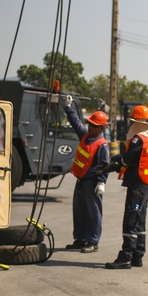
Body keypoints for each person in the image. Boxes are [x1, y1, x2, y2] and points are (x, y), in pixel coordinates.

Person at [104, 104, 148, 269]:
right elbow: (135, 157)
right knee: (139, 221)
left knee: (130, 220)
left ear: (137, 123)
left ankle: (126, 256)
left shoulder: (138, 138)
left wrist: (113, 165)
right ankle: (137, 255)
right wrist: (121, 158)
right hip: (146, 185)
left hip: (137, 184)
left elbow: (127, 160)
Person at [62, 96, 110, 253]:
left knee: (93, 213)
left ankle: (93, 241)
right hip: (81, 180)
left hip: (92, 182)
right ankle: (80, 239)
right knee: (79, 211)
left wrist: (102, 182)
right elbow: (76, 121)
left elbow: (104, 166)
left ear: (101, 128)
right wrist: (68, 107)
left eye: (95, 125)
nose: (90, 127)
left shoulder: (102, 145)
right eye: (90, 124)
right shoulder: (85, 136)